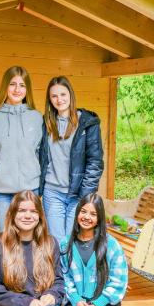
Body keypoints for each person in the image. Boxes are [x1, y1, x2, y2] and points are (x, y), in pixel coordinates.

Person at [0, 66, 43, 234]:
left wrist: (41, 192)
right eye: (13, 84)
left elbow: (42, 157)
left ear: (27, 90)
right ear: (5, 86)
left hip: (31, 192)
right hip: (1, 195)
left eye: (22, 85)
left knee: (31, 241)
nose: (17, 89)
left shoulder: (37, 118)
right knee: (3, 242)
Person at [39, 77, 104, 241]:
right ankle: (58, 268)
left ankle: (72, 268)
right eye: (54, 96)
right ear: (49, 99)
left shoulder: (88, 123)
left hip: (77, 194)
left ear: (71, 95)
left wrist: (85, 195)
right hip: (52, 192)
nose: (59, 99)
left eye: (63, 94)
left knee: (72, 241)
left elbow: (95, 162)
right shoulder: (45, 123)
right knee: (57, 242)